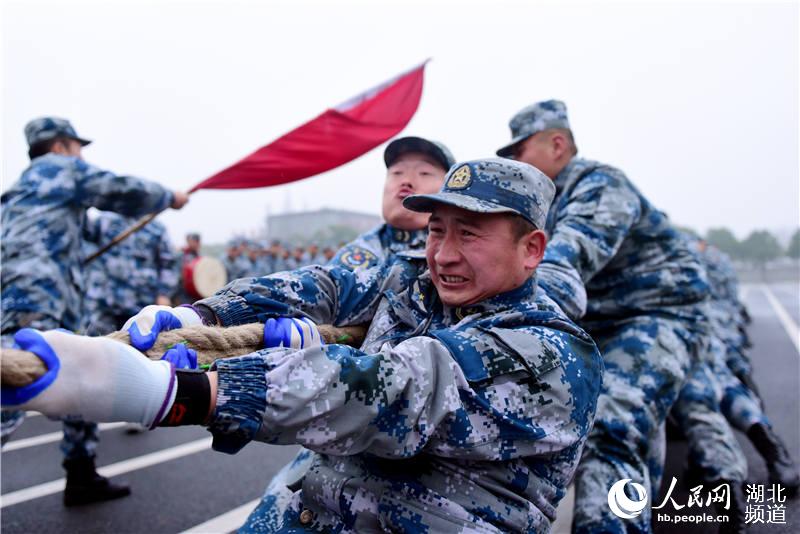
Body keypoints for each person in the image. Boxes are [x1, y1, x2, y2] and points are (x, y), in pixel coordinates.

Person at [7, 158, 604, 532]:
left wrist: (170, 392)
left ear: (532, 248)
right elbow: (321, 286)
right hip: (318, 508)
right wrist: (201, 313)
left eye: (468, 235)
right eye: (437, 231)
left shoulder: (551, 355)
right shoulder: (414, 282)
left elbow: (388, 391)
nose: (443, 254)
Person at [498, 100, 715, 532]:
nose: (514, 162)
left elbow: (565, 262)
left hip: (659, 315)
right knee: (617, 431)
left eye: (520, 151)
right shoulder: (538, 206)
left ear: (557, 145)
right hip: (596, 326)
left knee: (610, 427)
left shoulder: (600, 185)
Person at [0, 116, 188, 506]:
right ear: (59, 146)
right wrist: (169, 197)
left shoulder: (24, 190)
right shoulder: (57, 170)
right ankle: (81, 473)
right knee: (14, 382)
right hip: (37, 293)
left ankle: (81, 473)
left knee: (80, 371)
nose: (81, 156)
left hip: (50, 293)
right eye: (77, 147)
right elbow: (118, 190)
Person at [330, 136, 454, 269]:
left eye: (424, 173)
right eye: (397, 172)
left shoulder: (463, 252)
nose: (406, 181)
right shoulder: (354, 260)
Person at [83, 212, 179, 335]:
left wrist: (163, 293)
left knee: (138, 341)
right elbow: (83, 239)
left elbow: (169, 263)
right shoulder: (104, 221)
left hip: (141, 303)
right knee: (98, 342)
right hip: (105, 302)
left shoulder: (156, 228)